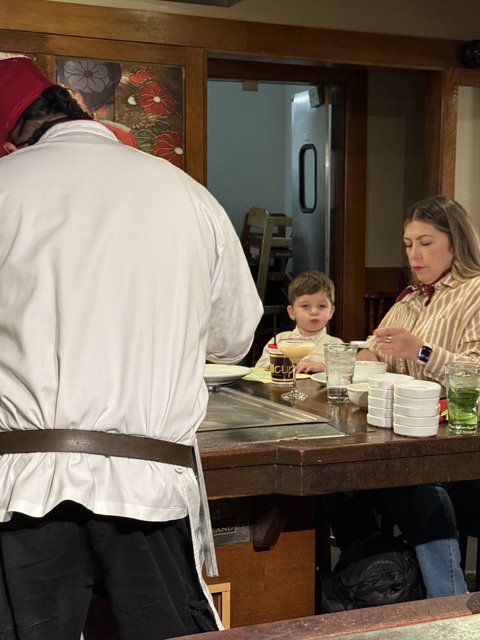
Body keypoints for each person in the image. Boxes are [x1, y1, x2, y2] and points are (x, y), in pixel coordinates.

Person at [0, 56, 263, 640]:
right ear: (71, 107)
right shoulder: (187, 194)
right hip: (151, 486)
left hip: (23, 488)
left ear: (11, 138)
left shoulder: (6, 187)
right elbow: (233, 338)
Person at [329, 195, 480, 599]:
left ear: (456, 242)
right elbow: (375, 349)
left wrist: (421, 351)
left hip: (461, 444)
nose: (415, 253)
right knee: (339, 476)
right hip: (402, 438)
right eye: (408, 243)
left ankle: (445, 602)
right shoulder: (410, 299)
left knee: (415, 483)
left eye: (426, 242)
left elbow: (476, 374)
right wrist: (362, 356)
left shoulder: (475, 293)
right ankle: (373, 583)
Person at [255, 270, 343, 374]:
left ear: (331, 311)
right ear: (292, 312)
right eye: (305, 306)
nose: (314, 312)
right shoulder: (279, 341)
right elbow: (259, 368)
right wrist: (272, 365)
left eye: (322, 306)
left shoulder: (336, 345)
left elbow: (346, 372)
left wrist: (323, 367)